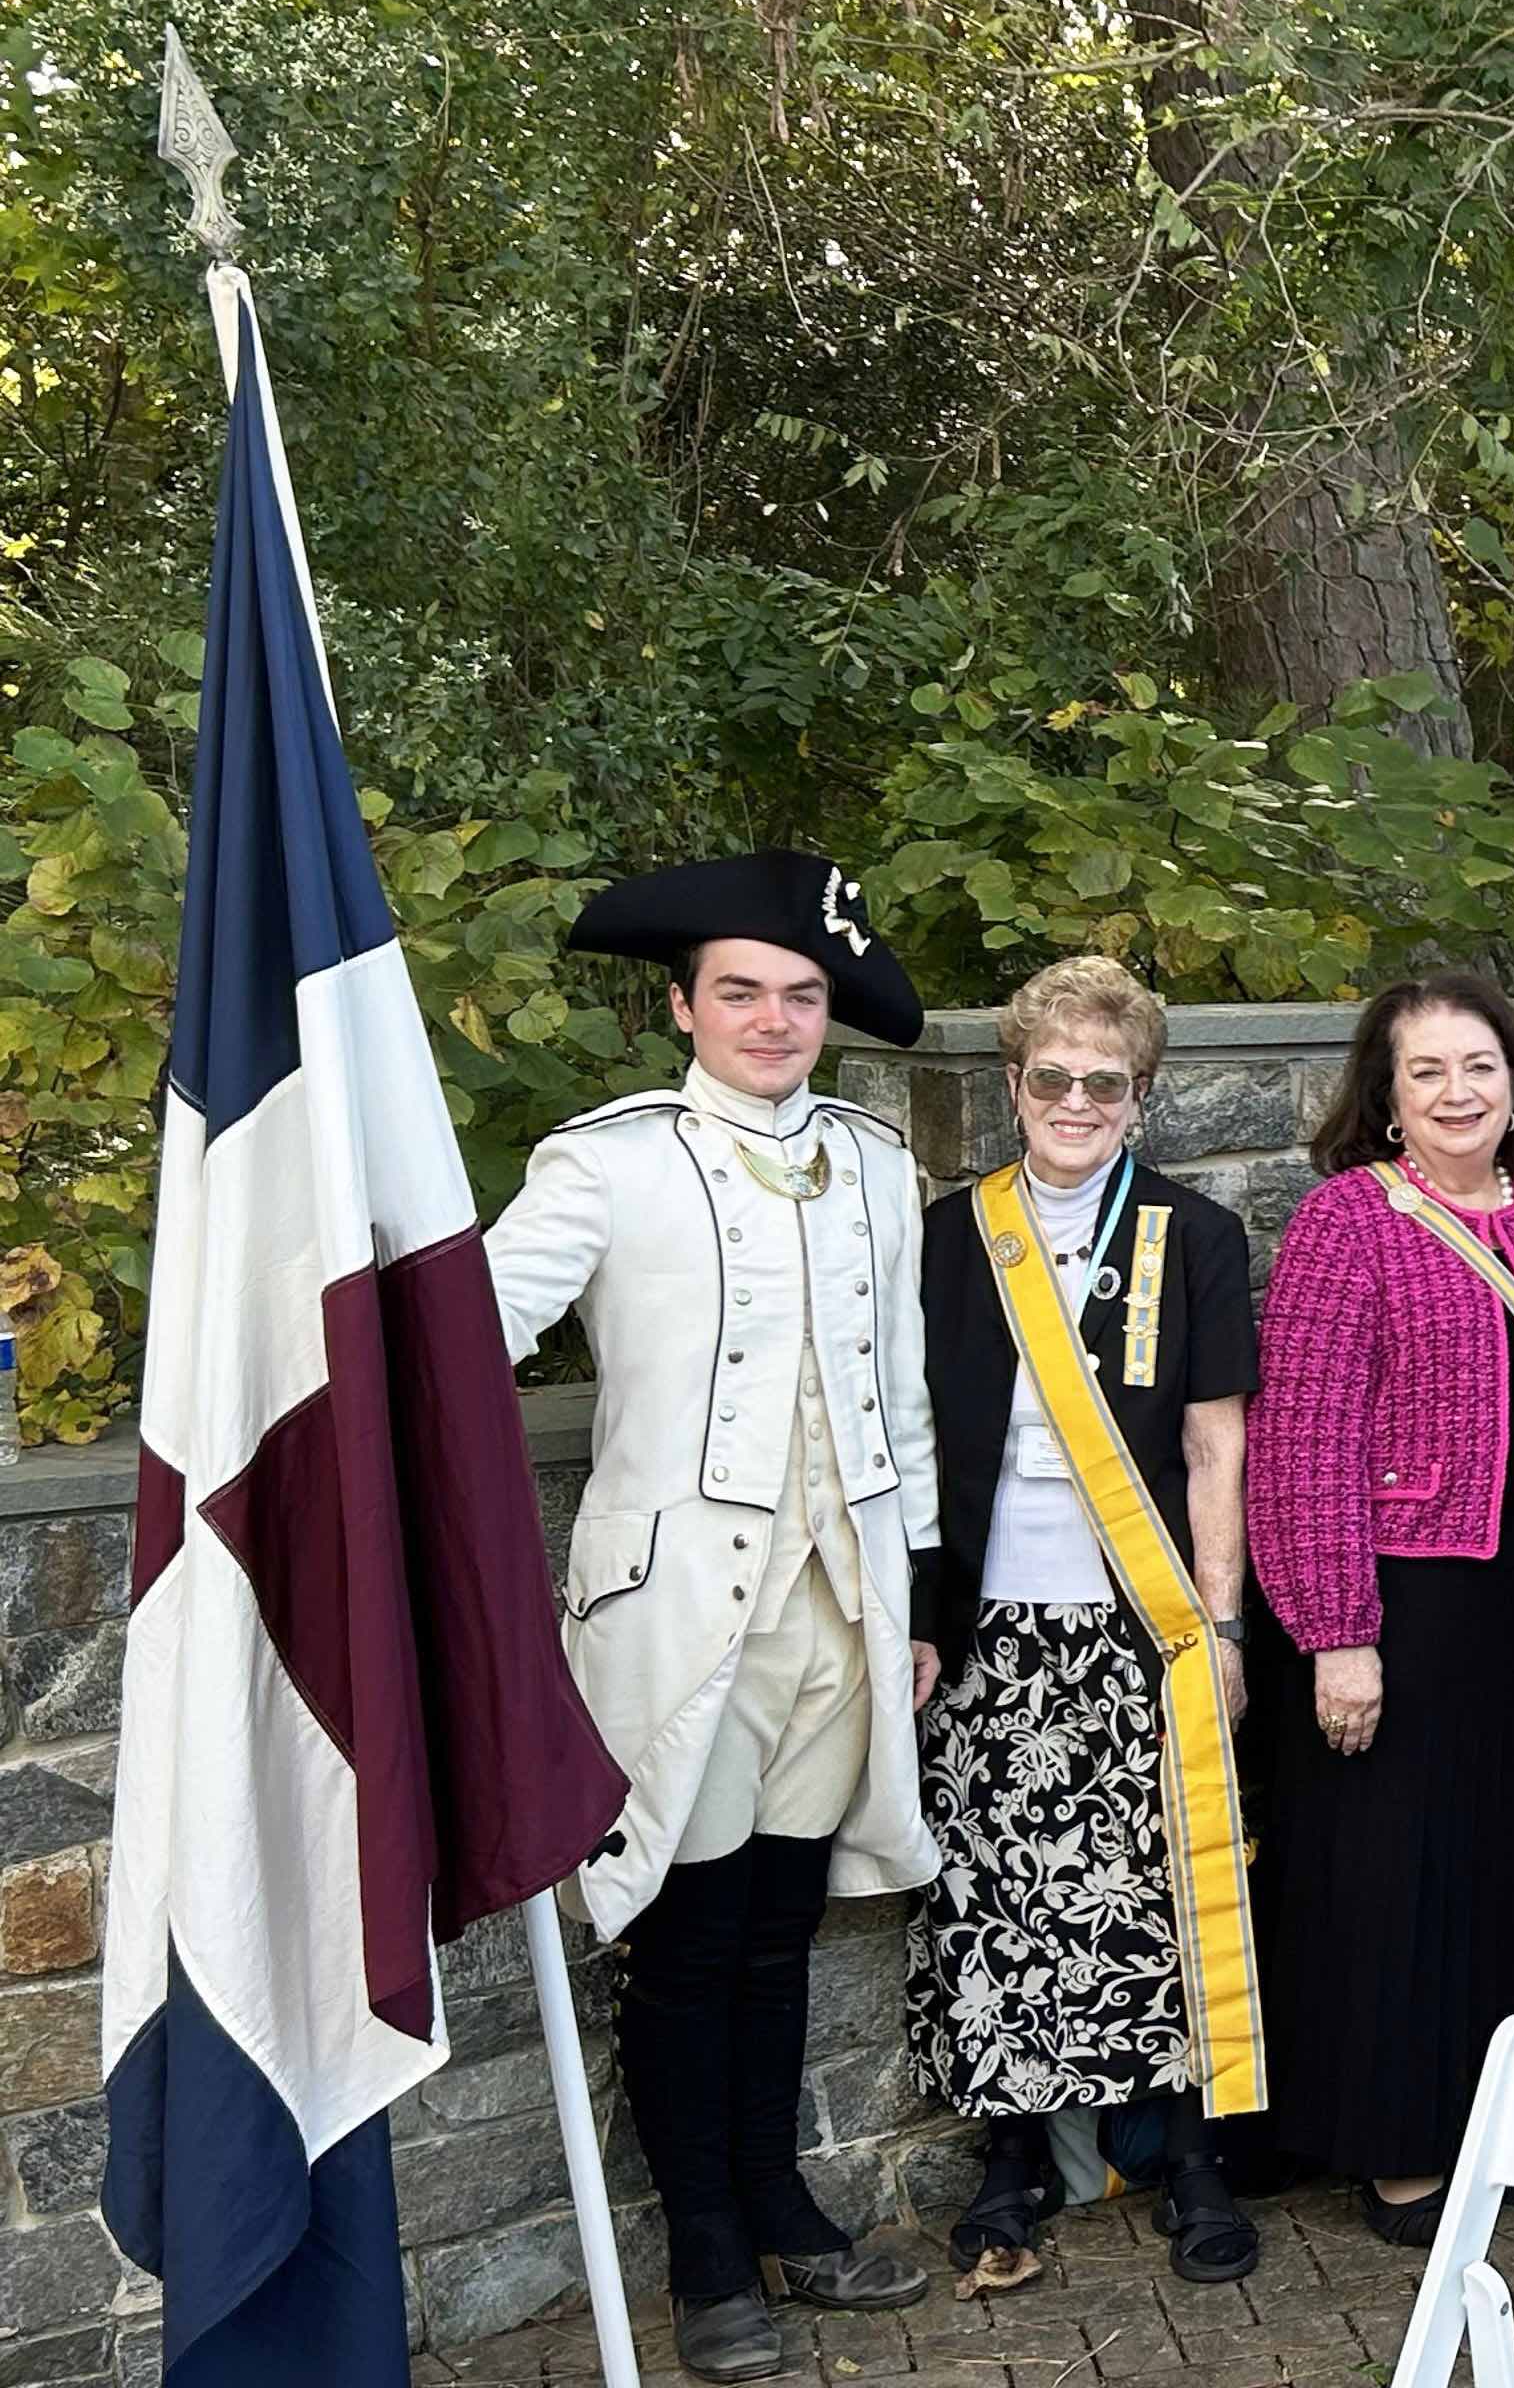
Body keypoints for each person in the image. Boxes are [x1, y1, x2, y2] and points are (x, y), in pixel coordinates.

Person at [484, 852, 939, 2379]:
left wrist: (915, 1590)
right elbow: (467, 1326)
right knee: (684, 1942)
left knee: (777, 1930)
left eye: (801, 995)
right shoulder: (607, 1161)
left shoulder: (877, 1161)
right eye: (739, 991)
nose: (772, 1019)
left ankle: (783, 2212)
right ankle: (705, 2260)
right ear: (682, 1004)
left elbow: (907, 1389)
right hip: (679, 1616)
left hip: (842, 1607)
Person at [1245, 974, 1514, 2243]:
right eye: (1428, 1072)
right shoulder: (1346, 1222)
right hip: (1407, 1602)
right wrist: (1335, 1632)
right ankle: (1403, 2141)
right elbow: (1301, 1443)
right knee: (1400, 1879)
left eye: (1480, 1066)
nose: (1459, 1092)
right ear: (1387, 1095)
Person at [908, 957, 1262, 2290]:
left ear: (1142, 1097)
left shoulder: (1197, 1237)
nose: (1073, 1100)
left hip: (1145, 1623)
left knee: (1160, 1889)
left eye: (1101, 1083)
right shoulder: (950, 1236)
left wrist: (1222, 1631)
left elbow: (1220, 1449)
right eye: (1048, 1077)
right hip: (987, 1626)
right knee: (992, 1890)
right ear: (1012, 1086)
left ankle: (1184, 2153)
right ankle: (1008, 2161)